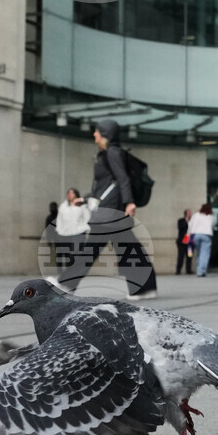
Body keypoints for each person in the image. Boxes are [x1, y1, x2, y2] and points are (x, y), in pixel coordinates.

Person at [57, 120, 158, 300]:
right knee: (129, 249)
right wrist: (85, 199)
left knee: (92, 249)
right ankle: (145, 287)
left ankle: (66, 283)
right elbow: (105, 186)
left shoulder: (113, 153)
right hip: (110, 209)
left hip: (110, 212)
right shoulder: (107, 154)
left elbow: (123, 179)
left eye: (97, 131)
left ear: (106, 134)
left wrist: (129, 202)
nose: (94, 134)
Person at [54, 188, 90, 273]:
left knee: (75, 253)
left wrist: (84, 227)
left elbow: (87, 217)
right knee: (67, 254)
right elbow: (59, 219)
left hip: (78, 232)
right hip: (64, 233)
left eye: (72, 193)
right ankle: (68, 272)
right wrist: (59, 230)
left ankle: (75, 271)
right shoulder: (63, 206)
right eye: (68, 193)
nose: (69, 195)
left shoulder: (81, 205)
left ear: (76, 194)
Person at [187, 203, 215, 277]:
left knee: (199, 253)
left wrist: (187, 237)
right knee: (204, 254)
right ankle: (201, 271)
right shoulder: (210, 216)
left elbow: (190, 226)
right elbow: (212, 226)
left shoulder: (196, 215)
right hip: (206, 235)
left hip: (196, 235)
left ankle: (199, 269)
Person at [175, 209, 193, 275]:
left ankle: (188, 269)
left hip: (190, 241)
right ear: (185, 213)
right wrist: (186, 221)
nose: (189, 214)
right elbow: (180, 228)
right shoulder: (181, 220)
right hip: (182, 241)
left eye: (190, 213)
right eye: (188, 212)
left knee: (189, 256)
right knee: (181, 256)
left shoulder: (192, 221)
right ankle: (178, 270)